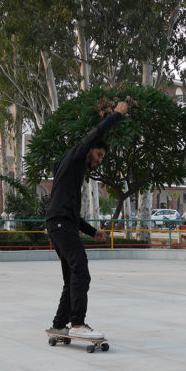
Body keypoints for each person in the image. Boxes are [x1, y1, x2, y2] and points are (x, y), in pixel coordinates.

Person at [46, 99, 129, 340]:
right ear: (91, 148)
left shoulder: (70, 169)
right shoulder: (76, 156)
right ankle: (78, 323)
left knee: (72, 275)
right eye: (99, 154)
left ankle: (59, 325)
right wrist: (116, 115)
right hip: (61, 224)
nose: (99, 160)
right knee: (81, 270)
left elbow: (72, 214)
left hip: (60, 223)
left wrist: (93, 232)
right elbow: (95, 134)